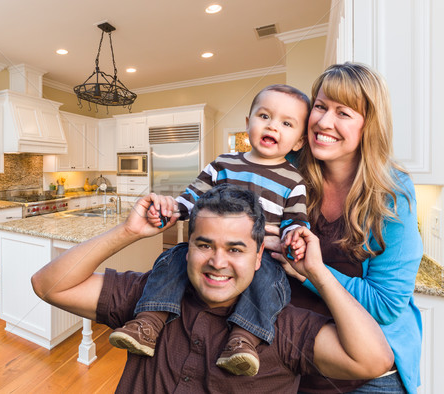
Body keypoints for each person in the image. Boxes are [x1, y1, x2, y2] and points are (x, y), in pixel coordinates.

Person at [31, 185, 394, 392]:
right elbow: (49, 285)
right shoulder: (149, 298)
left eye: (235, 249)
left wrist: (316, 272)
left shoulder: (282, 327)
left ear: (258, 258)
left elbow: (373, 360)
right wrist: (127, 232)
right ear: (186, 249)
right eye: (204, 245)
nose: (218, 262)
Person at [109, 84, 310, 376]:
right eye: (264, 116)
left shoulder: (294, 181)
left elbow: (296, 221)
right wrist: (171, 211)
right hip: (211, 246)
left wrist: (295, 238)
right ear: (248, 124)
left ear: (298, 142)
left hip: (260, 255)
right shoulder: (223, 164)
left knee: (270, 279)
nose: (272, 126)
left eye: (286, 123)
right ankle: (148, 322)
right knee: (174, 257)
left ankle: (243, 340)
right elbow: (191, 198)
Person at [276, 62, 423, 393]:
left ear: (368, 125)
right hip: (295, 354)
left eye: (344, 113)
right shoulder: (287, 170)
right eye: (321, 106)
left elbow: (385, 305)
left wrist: (309, 272)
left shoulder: (392, 192)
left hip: (369, 369)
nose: (324, 122)